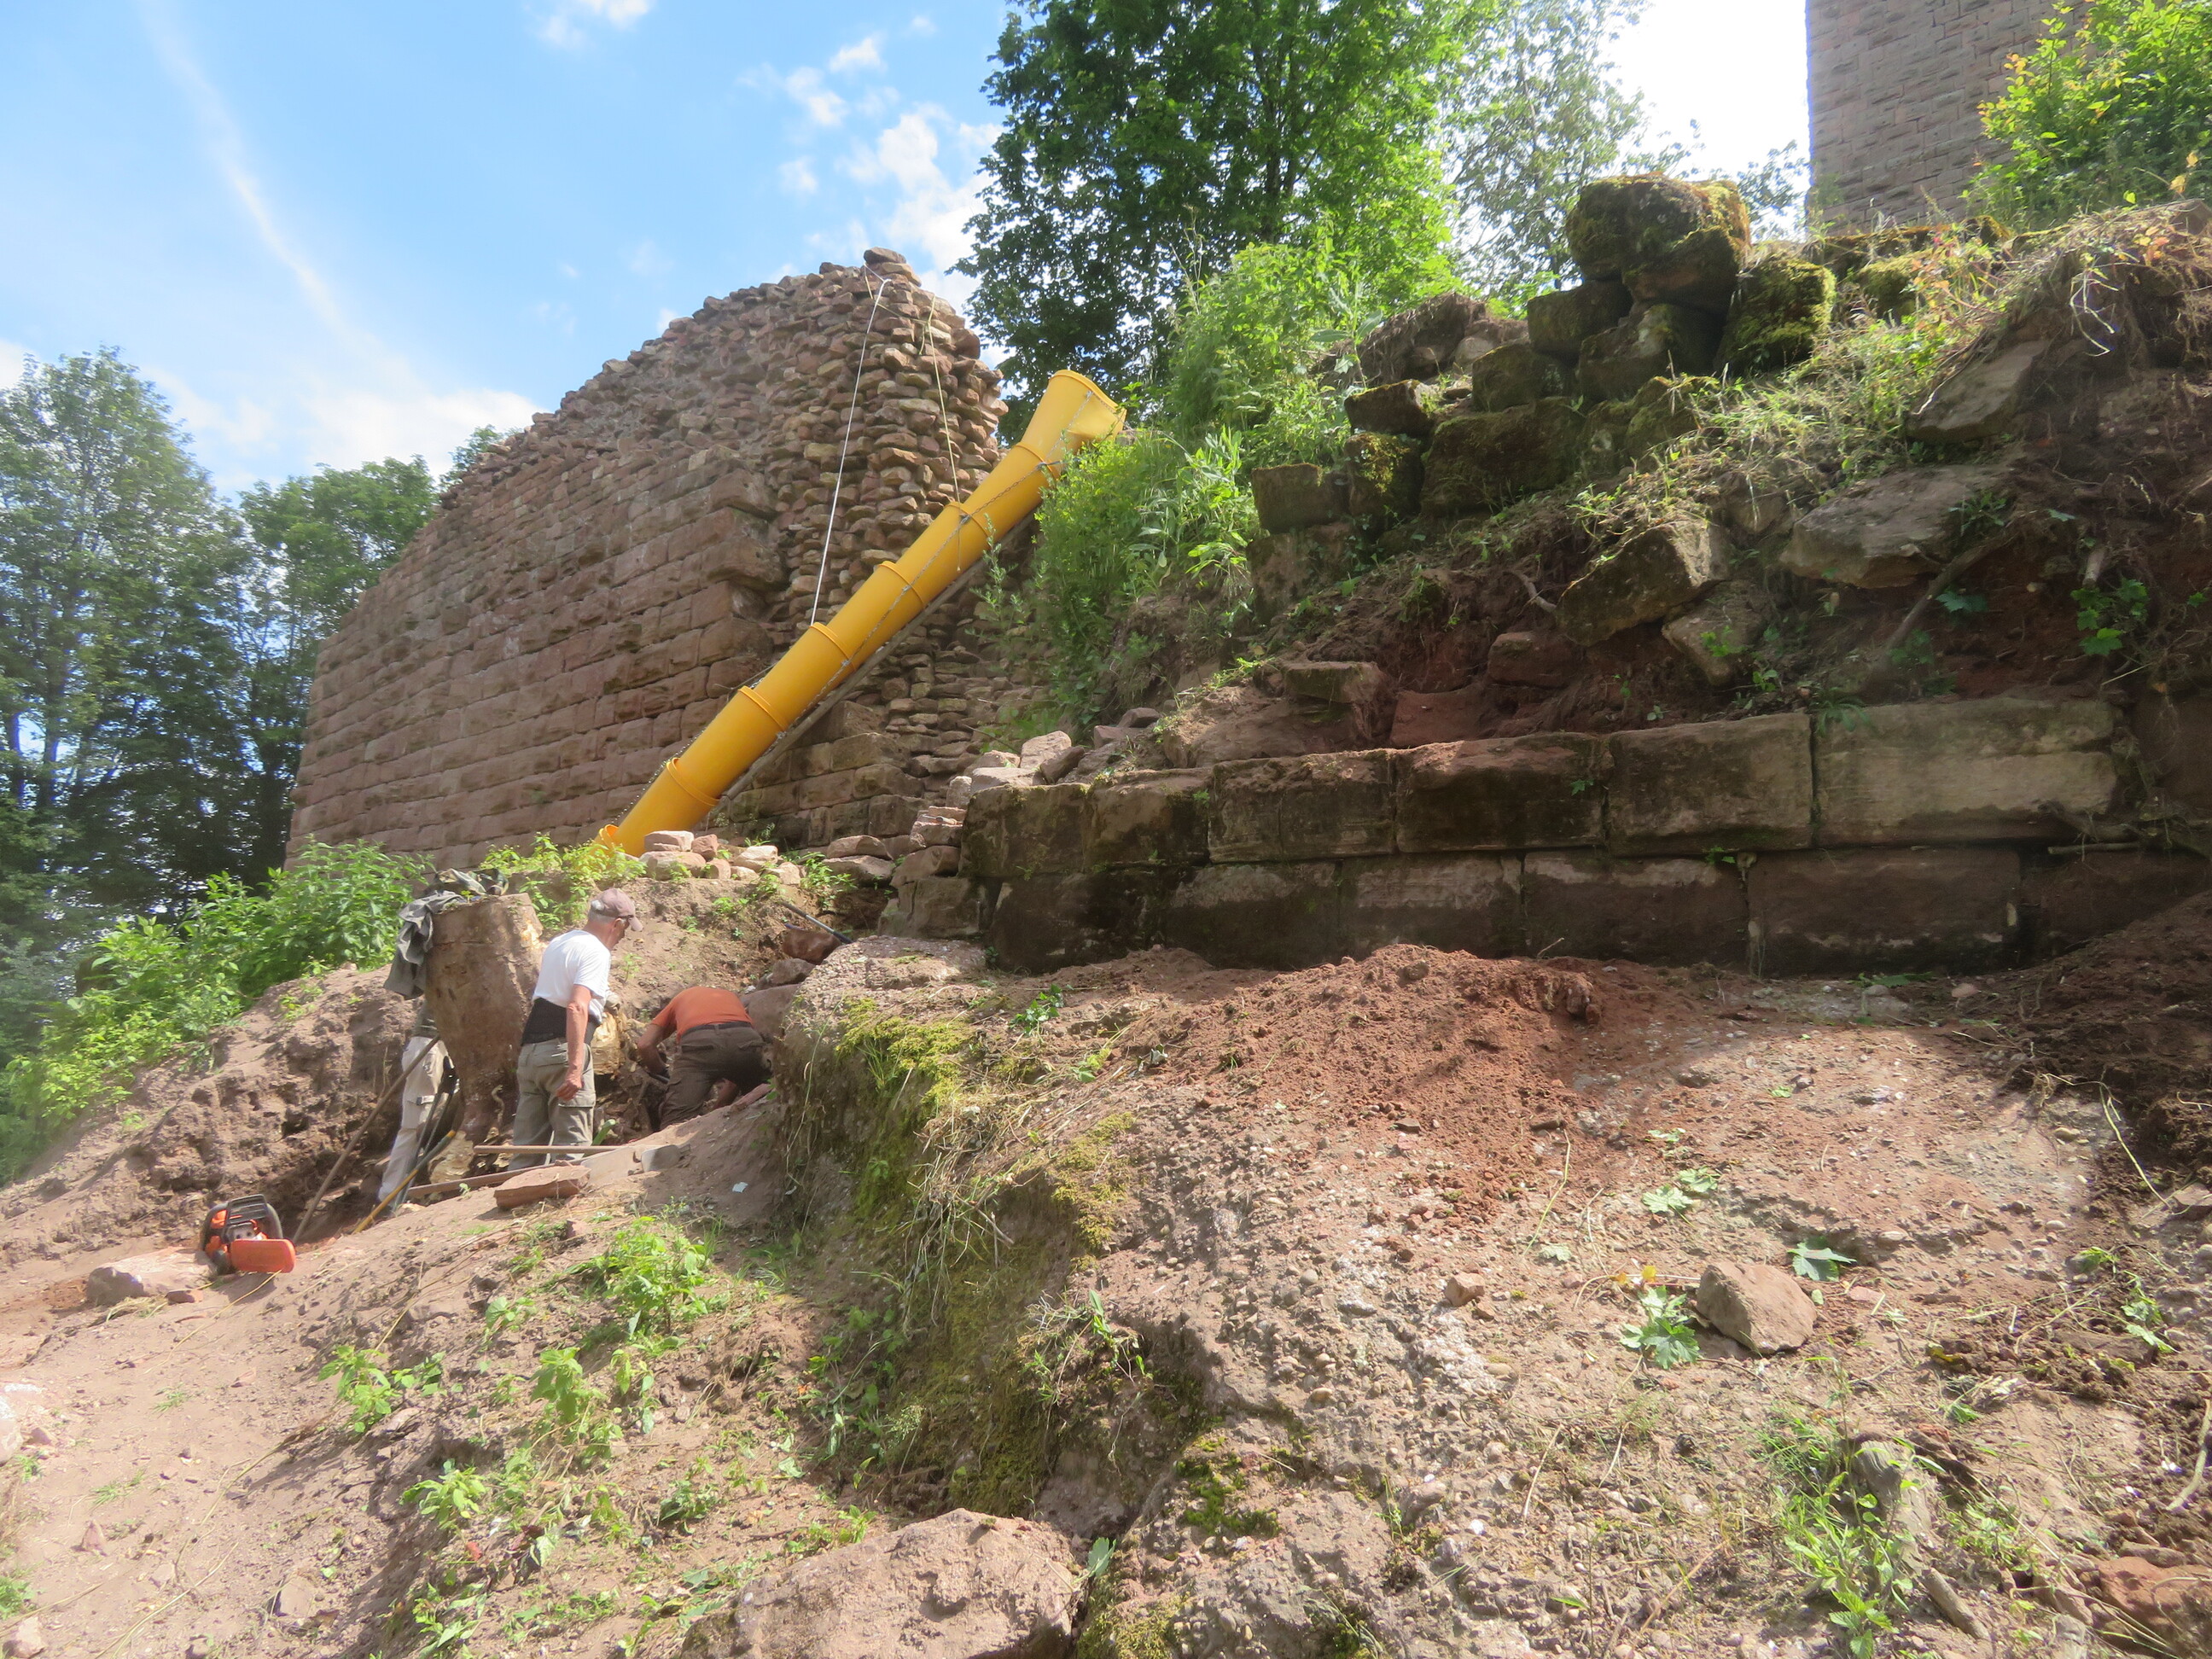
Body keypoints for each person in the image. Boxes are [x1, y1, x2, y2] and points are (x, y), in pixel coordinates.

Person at [512, 889, 637, 1165]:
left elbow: (556, 991)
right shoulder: (596, 951)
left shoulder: (560, 942)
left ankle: (516, 1190)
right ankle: (566, 1195)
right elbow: (577, 1006)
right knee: (572, 1149)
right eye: (625, 929)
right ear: (617, 924)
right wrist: (574, 1067)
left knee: (526, 1150)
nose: (623, 937)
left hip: (531, 1055)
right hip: (561, 1052)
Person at [636, 986, 768, 1128]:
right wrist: (718, 1109)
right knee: (763, 1102)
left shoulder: (680, 998)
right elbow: (735, 1073)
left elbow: (645, 1045)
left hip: (700, 1043)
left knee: (676, 1122)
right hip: (745, 1039)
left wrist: (661, 1073)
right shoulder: (730, 996)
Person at [377, 1006, 448, 1202]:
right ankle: (391, 1195)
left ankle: (411, 1189)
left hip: (440, 1045)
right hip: (430, 1045)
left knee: (432, 1118)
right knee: (415, 1125)